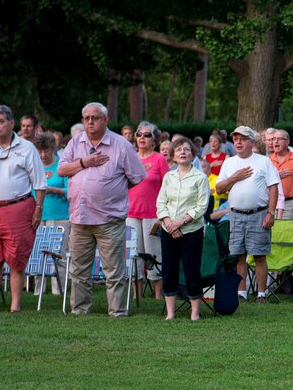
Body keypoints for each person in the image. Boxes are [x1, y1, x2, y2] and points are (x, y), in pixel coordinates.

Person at [58, 102, 147, 317]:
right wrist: (84, 162)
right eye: (86, 117)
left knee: (113, 269)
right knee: (78, 269)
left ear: (105, 120)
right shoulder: (75, 143)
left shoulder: (121, 145)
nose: (90, 121)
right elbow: (61, 170)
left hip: (109, 218)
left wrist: (113, 192)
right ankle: (79, 310)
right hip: (80, 217)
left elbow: (137, 176)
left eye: (95, 117)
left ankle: (117, 311)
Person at [0, 105, 46, 312]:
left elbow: (39, 183)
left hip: (17, 208)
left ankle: (15, 305)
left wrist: (38, 209)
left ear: (12, 123)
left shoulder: (26, 147)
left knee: (17, 258)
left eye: (1, 121)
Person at [214, 126, 279, 305]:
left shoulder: (263, 161)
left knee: (259, 255)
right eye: (235, 139)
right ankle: (241, 293)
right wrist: (234, 177)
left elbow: (273, 188)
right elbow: (219, 189)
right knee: (238, 255)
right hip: (235, 215)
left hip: (258, 213)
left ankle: (261, 294)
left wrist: (271, 213)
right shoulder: (229, 163)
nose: (238, 142)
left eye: (242, 139)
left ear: (252, 142)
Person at [155, 137, 210, 321]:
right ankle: (170, 313)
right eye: (178, 150)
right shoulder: (168, 177)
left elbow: (202, 206)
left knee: (191, 270)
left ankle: (194, 312)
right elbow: (161, 202)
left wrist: (180, 223)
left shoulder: (200, 178)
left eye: (186, 149)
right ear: (173, 156)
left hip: (191, 231)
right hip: (168, 229)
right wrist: (169, 223)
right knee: (169, 270)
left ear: (193, 154)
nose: (182, 152)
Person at [128, 121, 169, 300]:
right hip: (130, 214)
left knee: (154, 253)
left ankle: (158, 295)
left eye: (147, 135)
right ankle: (137, 294)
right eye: (139, 134)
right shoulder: (130, 157)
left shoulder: (159, 159)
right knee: (134, 254)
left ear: (155, 140)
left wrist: (164, 215)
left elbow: (167, 187)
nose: (142, 138)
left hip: (153, 214)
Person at [34, 132, 69, 295]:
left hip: (60, 216)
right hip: (39, 216)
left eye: (46, 150)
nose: (43, 154)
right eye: (40, 151)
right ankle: (38, 290)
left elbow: (71, 190)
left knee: (58, 254)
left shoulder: (62, 166)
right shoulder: (34, 166)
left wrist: (55, 190)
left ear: (52, 149)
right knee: (38, 254)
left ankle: (58, 290)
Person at [269, 129, 293, 219]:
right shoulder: (268, 159)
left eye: (279, 139)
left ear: (287, 142)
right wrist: (277, 176)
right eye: (273, 139)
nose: (276, 141)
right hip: (271, 204)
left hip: (290, 204)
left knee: (287, 232)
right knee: (272, 232)